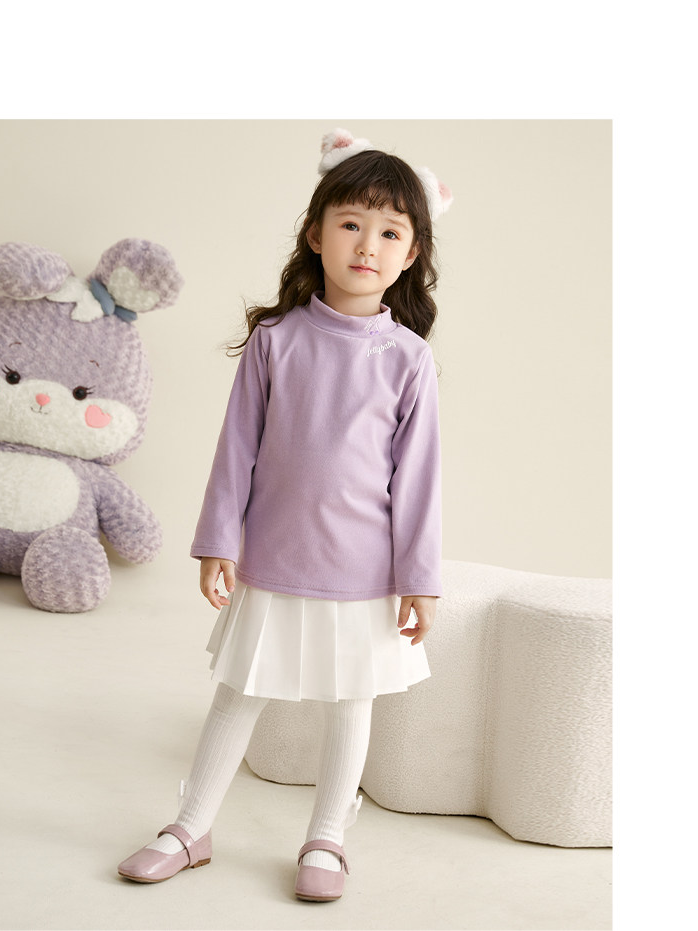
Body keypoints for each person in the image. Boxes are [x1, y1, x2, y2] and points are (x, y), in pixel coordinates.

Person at [117, 128, 453, 902]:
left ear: (410, 254)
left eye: (390, 232)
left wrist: (421, 579)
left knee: (351, 703)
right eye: (351, 223)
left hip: (365, 572)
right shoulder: (276, 340)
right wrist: (218, 538)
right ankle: (190, 826)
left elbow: (420, 480)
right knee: (239, 691)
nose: (366, 244)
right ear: (315, 233)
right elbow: (237, 447)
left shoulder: (409, 360)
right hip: (273, 557)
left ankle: (328, 836)